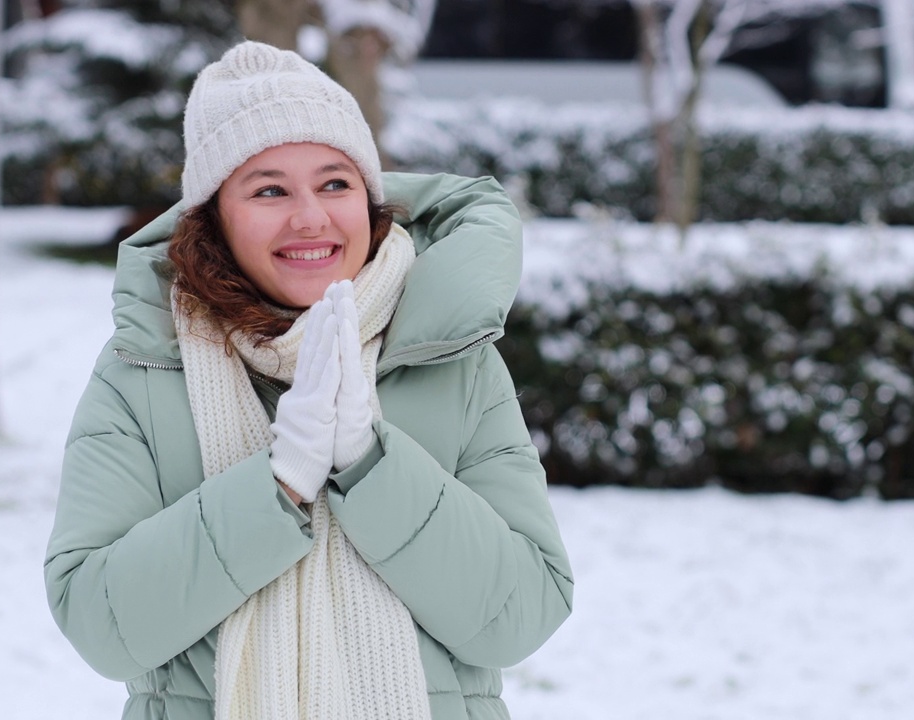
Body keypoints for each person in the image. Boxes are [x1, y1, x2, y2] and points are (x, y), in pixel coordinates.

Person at [45, 40, 573, 720]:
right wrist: (277, 485)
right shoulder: (144, 368)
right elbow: (102, 626)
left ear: (370, 200)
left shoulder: (453, 357)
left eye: (335, 183)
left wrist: (369, 464)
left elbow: (519, 616)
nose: (310, 218)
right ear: (213, 219)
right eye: (269, 189)